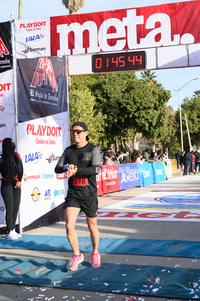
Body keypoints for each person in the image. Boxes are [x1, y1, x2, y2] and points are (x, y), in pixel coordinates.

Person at [55, 122, 101, 271]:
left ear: (86, 133)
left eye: (78, 131)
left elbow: (96, 169)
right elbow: (57, 168)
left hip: (89, 195)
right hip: (73, 194)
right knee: (69, 226)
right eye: (73, 131)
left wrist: (76, 170)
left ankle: (95, 253)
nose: (75, 134)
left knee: (92, 227)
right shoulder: (69, 151)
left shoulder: (93, 149)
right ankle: (77, 255)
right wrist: (65, 167)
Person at [0, 138, 23, 240]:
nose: (14, 144)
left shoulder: (17, 155)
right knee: (10, 208)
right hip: (7, 185)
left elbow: (21, 169)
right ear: (7, 145)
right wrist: (15, 182)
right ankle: (9, 231)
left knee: (15, 208)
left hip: (17, 185)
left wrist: (19, 181)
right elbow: (5, 174)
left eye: (14, 142)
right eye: (12, 143)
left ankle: (13, 229)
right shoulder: (1, 158)